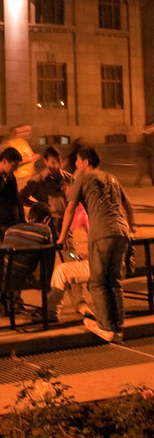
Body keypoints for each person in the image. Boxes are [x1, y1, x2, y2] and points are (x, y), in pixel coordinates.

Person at [57, 145, 136, 343]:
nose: (75, 164)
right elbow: (128, 206)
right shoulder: (112, 178)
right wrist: (131, 228)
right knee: (114, 281)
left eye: (77, 161)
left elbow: (70, 209)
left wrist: (61, 236)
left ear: (85, 162)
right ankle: (118, 326)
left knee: (98, 282)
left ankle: (105, 326)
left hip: (101, 234)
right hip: (121, 232)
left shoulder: (82, 179)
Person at [0, 202, 54, 330]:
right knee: (21, 269)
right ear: (46, 219)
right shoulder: (45, 230)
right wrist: (45, 282)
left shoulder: (12, 229)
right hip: (19, 279)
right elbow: (47, 258)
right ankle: (45, 309)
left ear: (28, 217)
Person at [18, 145, 73, 240]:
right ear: (45, 161)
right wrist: (38, 206)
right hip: (46, 223)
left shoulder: (69, 178)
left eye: (59, 162)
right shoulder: (37, 180)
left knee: (70, 251)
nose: (57, 166)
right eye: (53, 163)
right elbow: (21, 197)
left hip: (65, 223)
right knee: (48, 251)